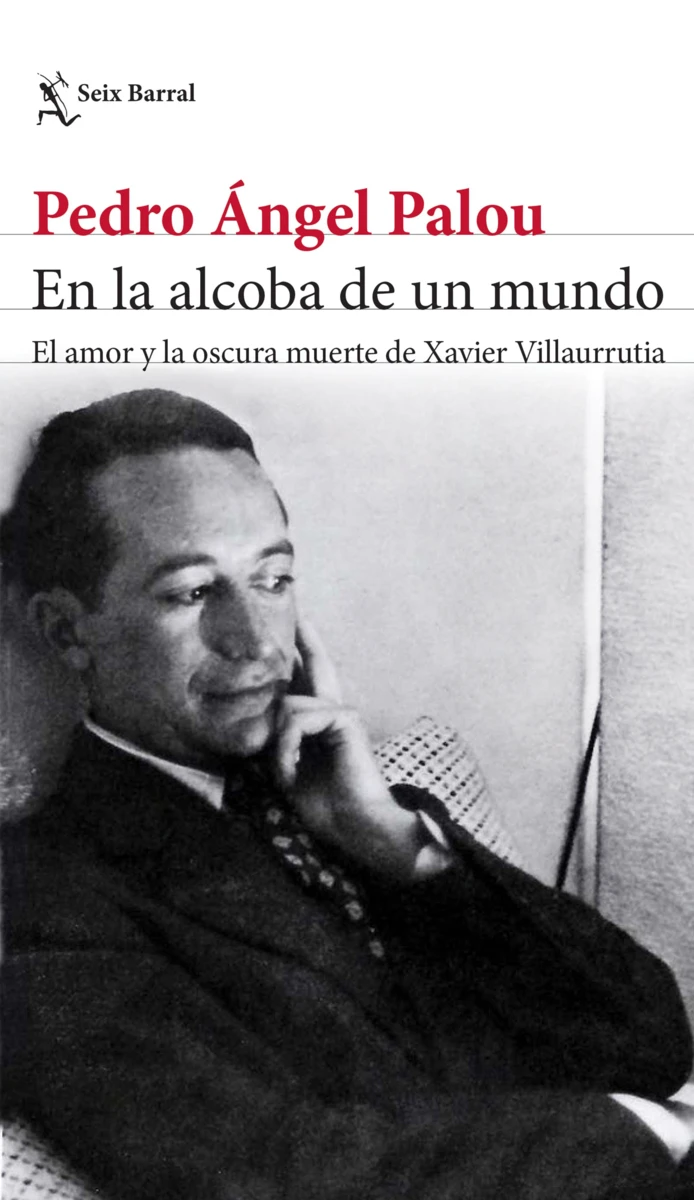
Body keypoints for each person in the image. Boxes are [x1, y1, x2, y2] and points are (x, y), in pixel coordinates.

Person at [2, 387, 694, 1200]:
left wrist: (400, 849)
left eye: (273, 579)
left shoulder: (352, 804)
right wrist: (650, 1128)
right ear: (66, 630)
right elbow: (271, 1177)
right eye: (191, 593)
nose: (257, 641)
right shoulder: (42, 898)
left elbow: (649, 1041)